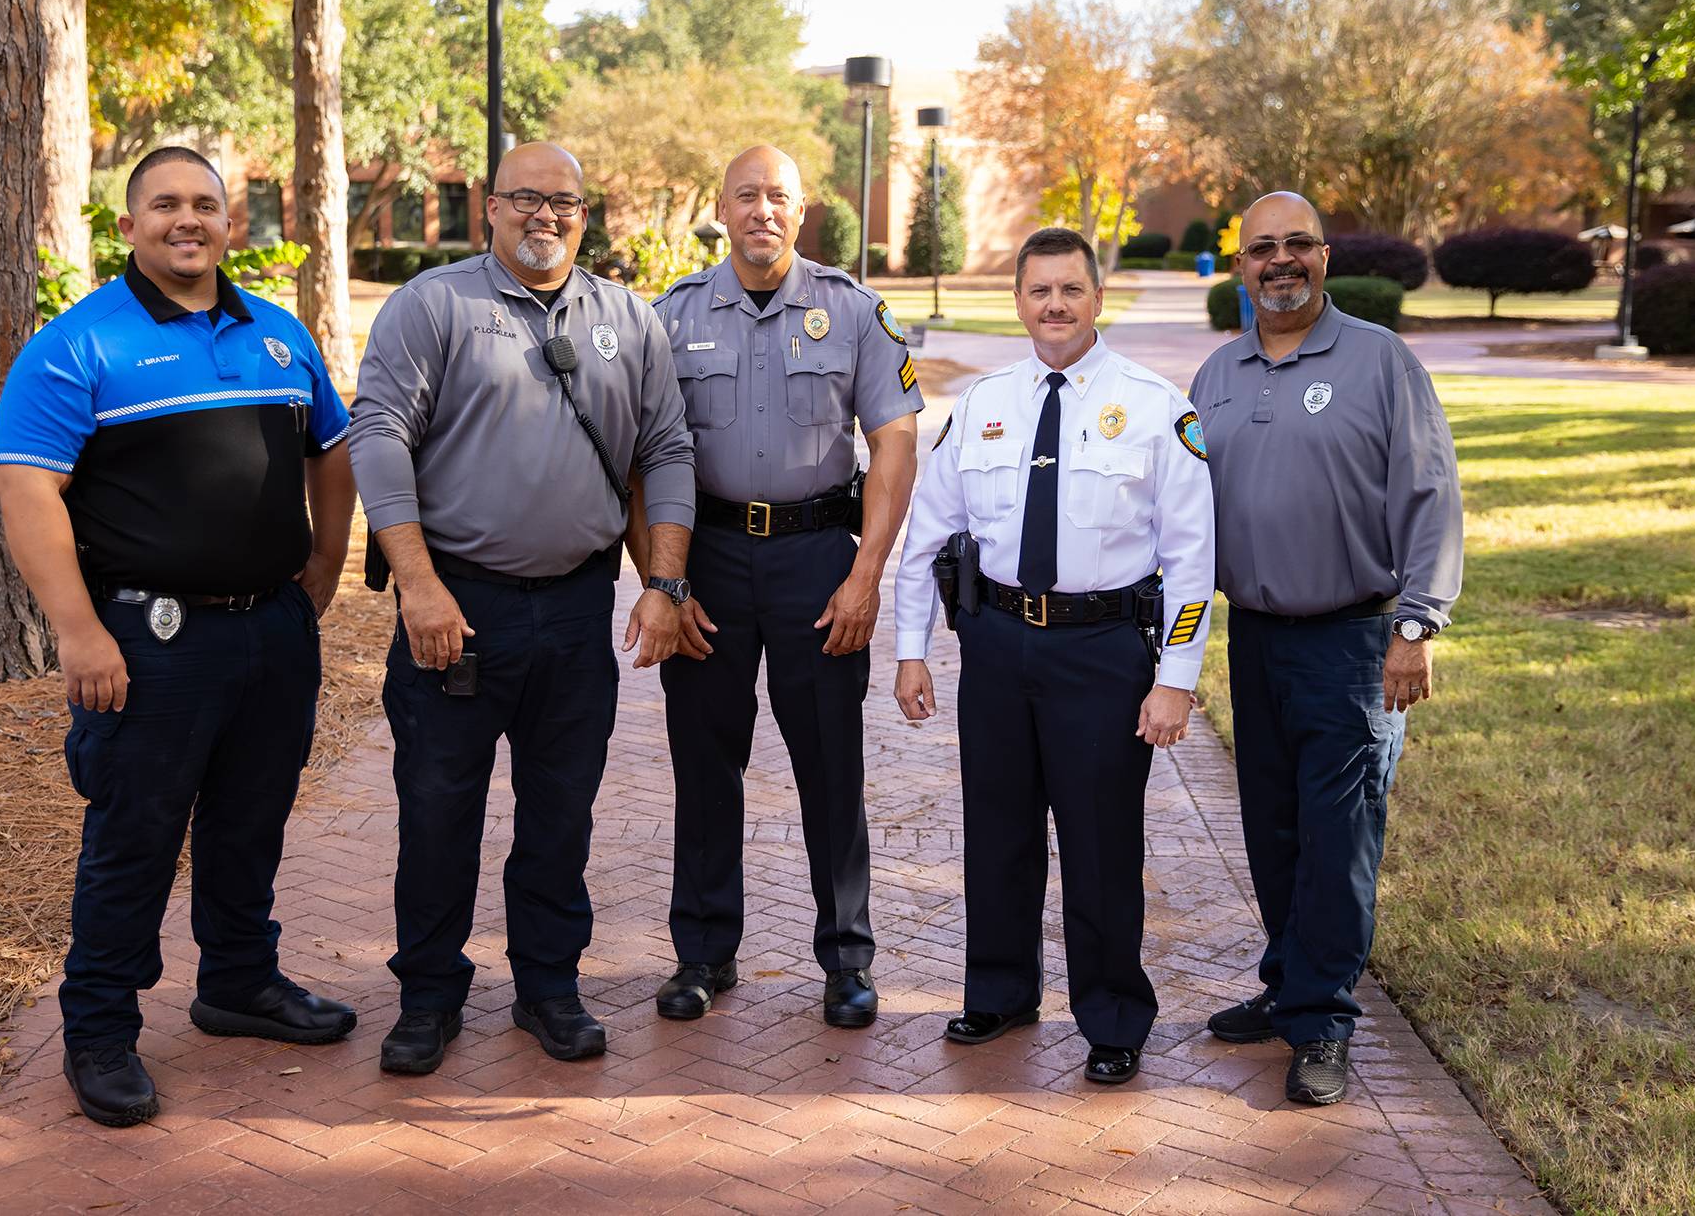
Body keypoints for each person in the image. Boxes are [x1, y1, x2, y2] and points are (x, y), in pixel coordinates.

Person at [0, 146, 358, 1128]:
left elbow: (332, 448)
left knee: (250, 822)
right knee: (134, 836)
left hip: (273, 633)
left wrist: (320, 569)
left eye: (205, 203)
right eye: (165, 205)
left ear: (228, 221)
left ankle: (238, 982)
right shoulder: (79, 345)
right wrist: (77, 630)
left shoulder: (277, 335)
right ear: (130, 224)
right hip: (147, 640)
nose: (186, 220)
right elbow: (27, 490)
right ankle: (99, 1032)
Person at [347, 142, 696, 1075]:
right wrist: (417, 584)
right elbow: (376, 436)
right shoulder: (434, 305)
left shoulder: (628, 318)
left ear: (587, 215)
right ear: (490, 209)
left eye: (566, 202)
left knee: (560, 812)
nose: (546, 216)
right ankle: (428, 996)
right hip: (456, 612)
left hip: (578, 613)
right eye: (526, 199)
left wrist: (664, 585)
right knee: (436, 810)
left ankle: (548, 986)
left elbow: (663, 452)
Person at [893, 226, 1214, 1085]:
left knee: (1102, 841)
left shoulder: (1154, 407)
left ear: (1098, 298)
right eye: (1040, 291)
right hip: (997, 643)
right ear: (1019, 302)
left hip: (1103, 651)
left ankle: (1112, 1015)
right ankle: (999, 991)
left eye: (1071, 289)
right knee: (995, 830)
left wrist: (1175, 680)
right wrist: (912, 649)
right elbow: (927, 534)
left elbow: (1192, 560)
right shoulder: (985, 404)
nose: (1056, 306)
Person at [632, 146, 922, 1028]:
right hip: (707, 563)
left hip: (816, 562)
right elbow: (642, 456)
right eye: (748, 194)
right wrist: (662, 582)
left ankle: (846, 959)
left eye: (779, 197)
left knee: (831, 764)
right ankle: (703, 954)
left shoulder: (855, 312)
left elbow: (896, 443)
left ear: (803, 214)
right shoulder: (670, 317)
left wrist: (867, 573)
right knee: (705, 763)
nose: (763, 209)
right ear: (720, 207)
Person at [1189, 191, 1463, 1106]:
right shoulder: (1216, 374)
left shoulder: (1381, 361)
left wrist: (1416, 623)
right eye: (1262, 248)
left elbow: (1430, 495)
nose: (1279, 261)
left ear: (1325, 256)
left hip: (1354, 640)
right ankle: (1288, 985)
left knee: (1339, 837)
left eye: (1296, 244)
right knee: (1271, 828)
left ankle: (1323, 1021)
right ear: (1241, 267)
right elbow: (1181, 511)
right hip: (1255, 638)